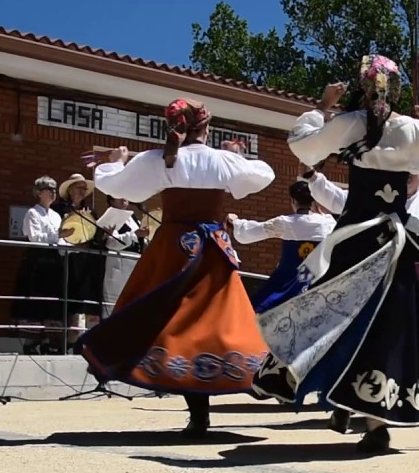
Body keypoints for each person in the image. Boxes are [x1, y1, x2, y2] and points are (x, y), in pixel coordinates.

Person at [252, 54, 419, 453]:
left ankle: (341, 396)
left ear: (361, 87)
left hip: (352, 241)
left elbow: (302, 147)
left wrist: (321, 107)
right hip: (392, 248)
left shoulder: (348, 123)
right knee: (386, 328)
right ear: (398, 89)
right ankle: (371, 417)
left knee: (334, 316)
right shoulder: (411, 130)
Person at [79, 98, 275, 435]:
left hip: (173, 249)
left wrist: (113, 163)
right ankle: (248, 376)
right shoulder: (220, 160)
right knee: (215, 321)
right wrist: (236, 156)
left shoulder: (158, 159)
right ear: (206, 127)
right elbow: (264, 175)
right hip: (212, 250)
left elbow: (113, 185)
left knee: (167, 320)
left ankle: (197, 413)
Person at [306, 168, 419, 419]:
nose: (406, 176)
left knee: (406, 339)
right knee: (367, 335)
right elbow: (339, 199)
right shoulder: (373, 197)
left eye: (412, 172)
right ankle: (357, 400)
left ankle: (394, 400)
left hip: (417, 276)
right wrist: (315, 179)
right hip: (373, 273)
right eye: (402, 172)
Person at [227, 172, 336, 314]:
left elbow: (251, 232)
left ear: (293, 201)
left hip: (286, 283)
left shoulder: (286, 223)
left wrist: (235, 222)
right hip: (317, 283)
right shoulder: (329, 222)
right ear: (313, 201)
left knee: (256, 312)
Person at [12, 176, 68, 354]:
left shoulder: (56, 215)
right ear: (38, 192)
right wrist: (58, 234)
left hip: (54, 263)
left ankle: (50, 340)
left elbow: (62, 239)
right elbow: (35, 238)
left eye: (54, 189)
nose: (53, 192)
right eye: (48, 189)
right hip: (37, 262)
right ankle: (32, 341)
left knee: (52, 303)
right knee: (36, 302)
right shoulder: (32, 213)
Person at [58, 174, 106, 344]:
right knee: (70, 298)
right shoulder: (60, 209)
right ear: (70, 189)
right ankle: (68, 340)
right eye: (79, 188)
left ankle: (86, 340)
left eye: (84, 189)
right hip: (67, 261)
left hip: (87, 261)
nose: (82, 192)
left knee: (88, 298)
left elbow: (96, 236)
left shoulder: (90, 212)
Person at [101, 196, 149, 317]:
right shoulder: (110, 217)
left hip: (133, 267)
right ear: (111, 200)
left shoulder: (132, 218)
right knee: (114, 306)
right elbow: (111, 242)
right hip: (118, 266)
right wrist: (135, 234)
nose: (124, 198)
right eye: (119, 195)